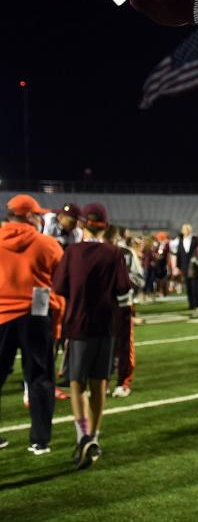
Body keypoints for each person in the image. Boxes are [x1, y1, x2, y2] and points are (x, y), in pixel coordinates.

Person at [53, 203, 131, 469]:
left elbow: (60, 287)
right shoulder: (115, 253)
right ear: (105, 226)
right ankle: (94, 437)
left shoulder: (72, 252)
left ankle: (82, 435)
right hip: (106, 325)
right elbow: (123, 288)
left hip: (77, 324)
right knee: (99, 384)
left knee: (76, 383)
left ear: (83, 224)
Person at [0, 194, 64, 455]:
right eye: (37, 214)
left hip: (1, 314)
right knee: (39, 377)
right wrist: (59, 319)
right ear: (28, 216)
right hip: (36, 313)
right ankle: (39, 440)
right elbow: (61, 283)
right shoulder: (47, 244)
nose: (40, 219)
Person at [106, 225, 145, 397]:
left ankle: (123, 382)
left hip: (121, 305)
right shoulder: (92, 252)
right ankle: (102, 380)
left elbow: (139, 279)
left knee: (124, 345)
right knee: (101, 345)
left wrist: (121, 281)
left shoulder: (126, 253)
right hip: (99, 306)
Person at [172, 223, 198, 316]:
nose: (185, 230)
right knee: (188, 286)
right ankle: (191, 303)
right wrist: (178, 266)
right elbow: (179, 254)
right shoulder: (181, 241)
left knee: (195, 286)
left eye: (186, 229)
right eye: (184, 229)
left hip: (194, 266)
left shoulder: (195, 239)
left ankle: (197, 303)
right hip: (184, 267)